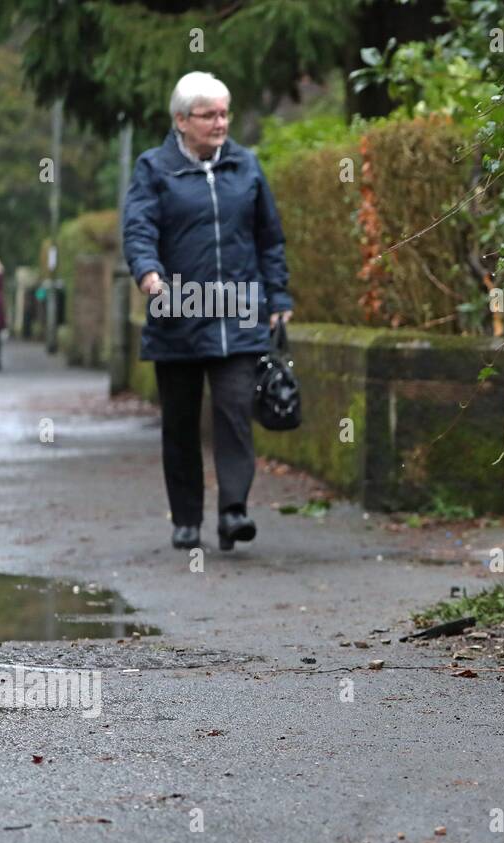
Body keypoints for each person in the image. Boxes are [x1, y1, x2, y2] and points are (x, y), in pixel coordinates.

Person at [123, 71, 293, 552]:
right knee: (179, 421)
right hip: (177, 306)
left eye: (225, 113)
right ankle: (186, 519)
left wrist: (278, 300)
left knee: (236, 411)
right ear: (181, 120)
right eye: (210, 115)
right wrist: (149, 274)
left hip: (239, 308)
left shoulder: (246, 166)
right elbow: (139, 229)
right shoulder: (153, 168)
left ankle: (234, 510)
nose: (221, 123)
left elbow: (269, 240)